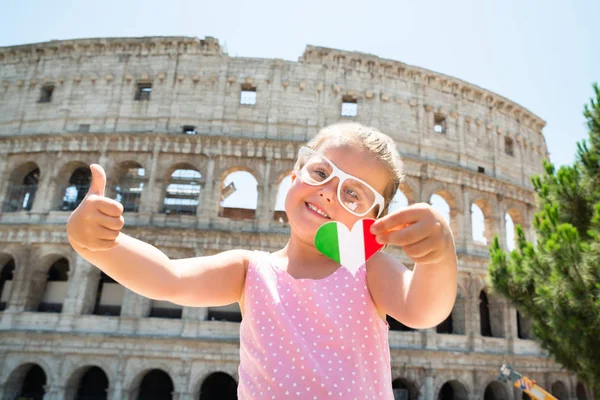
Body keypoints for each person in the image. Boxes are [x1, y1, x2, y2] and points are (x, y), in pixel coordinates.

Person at [67, 122, 458, 399]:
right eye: (321, 172)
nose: (328, 192)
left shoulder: (366, 267)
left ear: (371, 220)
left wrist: (438, 258)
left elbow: (422, 310)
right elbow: (169, 277)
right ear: (294, 175)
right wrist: (99, 246)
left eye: (353, 194)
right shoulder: (250, 269)